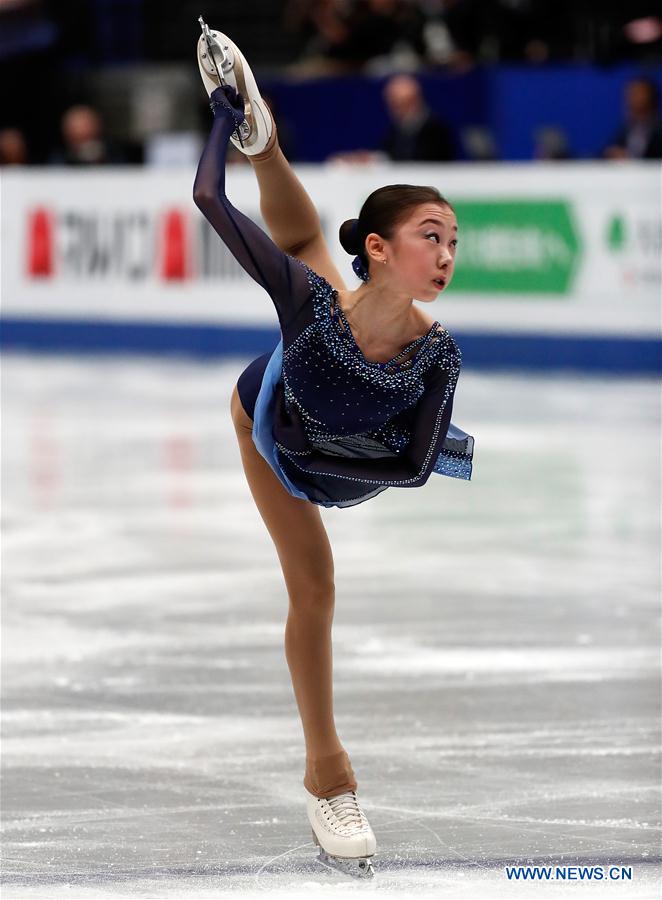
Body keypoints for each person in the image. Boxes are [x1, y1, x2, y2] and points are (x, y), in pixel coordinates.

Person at [193, 21, 473, 877]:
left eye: (454, 241)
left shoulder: (437, 352)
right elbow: (210, 203)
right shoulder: (315, 309)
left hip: (343, 444)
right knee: (315, 589)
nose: (448, 255)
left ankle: (268, 144)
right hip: (272, 425)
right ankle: (328, 771)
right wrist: (217, 117)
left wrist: (345, 461)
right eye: (432, 236)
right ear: (383, 248)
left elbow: (419, 468)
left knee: (315, 269)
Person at [381, 73, 455, 161]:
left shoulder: (435, 129)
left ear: (414, 100)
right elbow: (390, 154)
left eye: (401, 104)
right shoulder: (398, 129)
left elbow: (427, 162)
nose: (395, 110)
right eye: (392, 104)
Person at [604, 77, 662, 160]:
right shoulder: (626, 129)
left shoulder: (658, 129)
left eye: (638, 93)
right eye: (630, 93)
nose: (632, 98)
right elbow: (608, 151)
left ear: (651, 95)